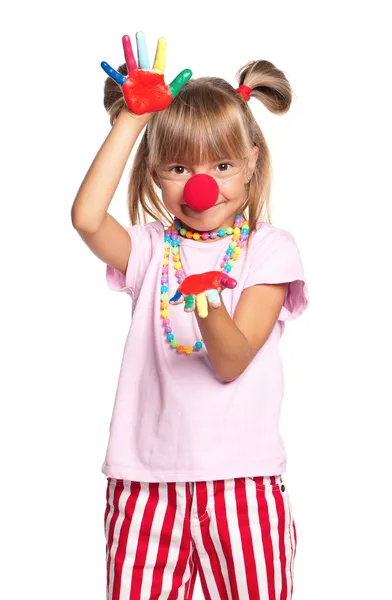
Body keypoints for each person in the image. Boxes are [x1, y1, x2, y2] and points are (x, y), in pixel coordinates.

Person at [72, 31, 309, 600]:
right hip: (142, 490)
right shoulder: (151, 249)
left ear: (252, 163)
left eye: (223, 164)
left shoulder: (268, 249)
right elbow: (86, 219)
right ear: (153, 171)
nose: (203, 185)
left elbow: (230, 360)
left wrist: (204, 299)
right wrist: (133, 119)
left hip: (242, 487)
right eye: (178, 167)